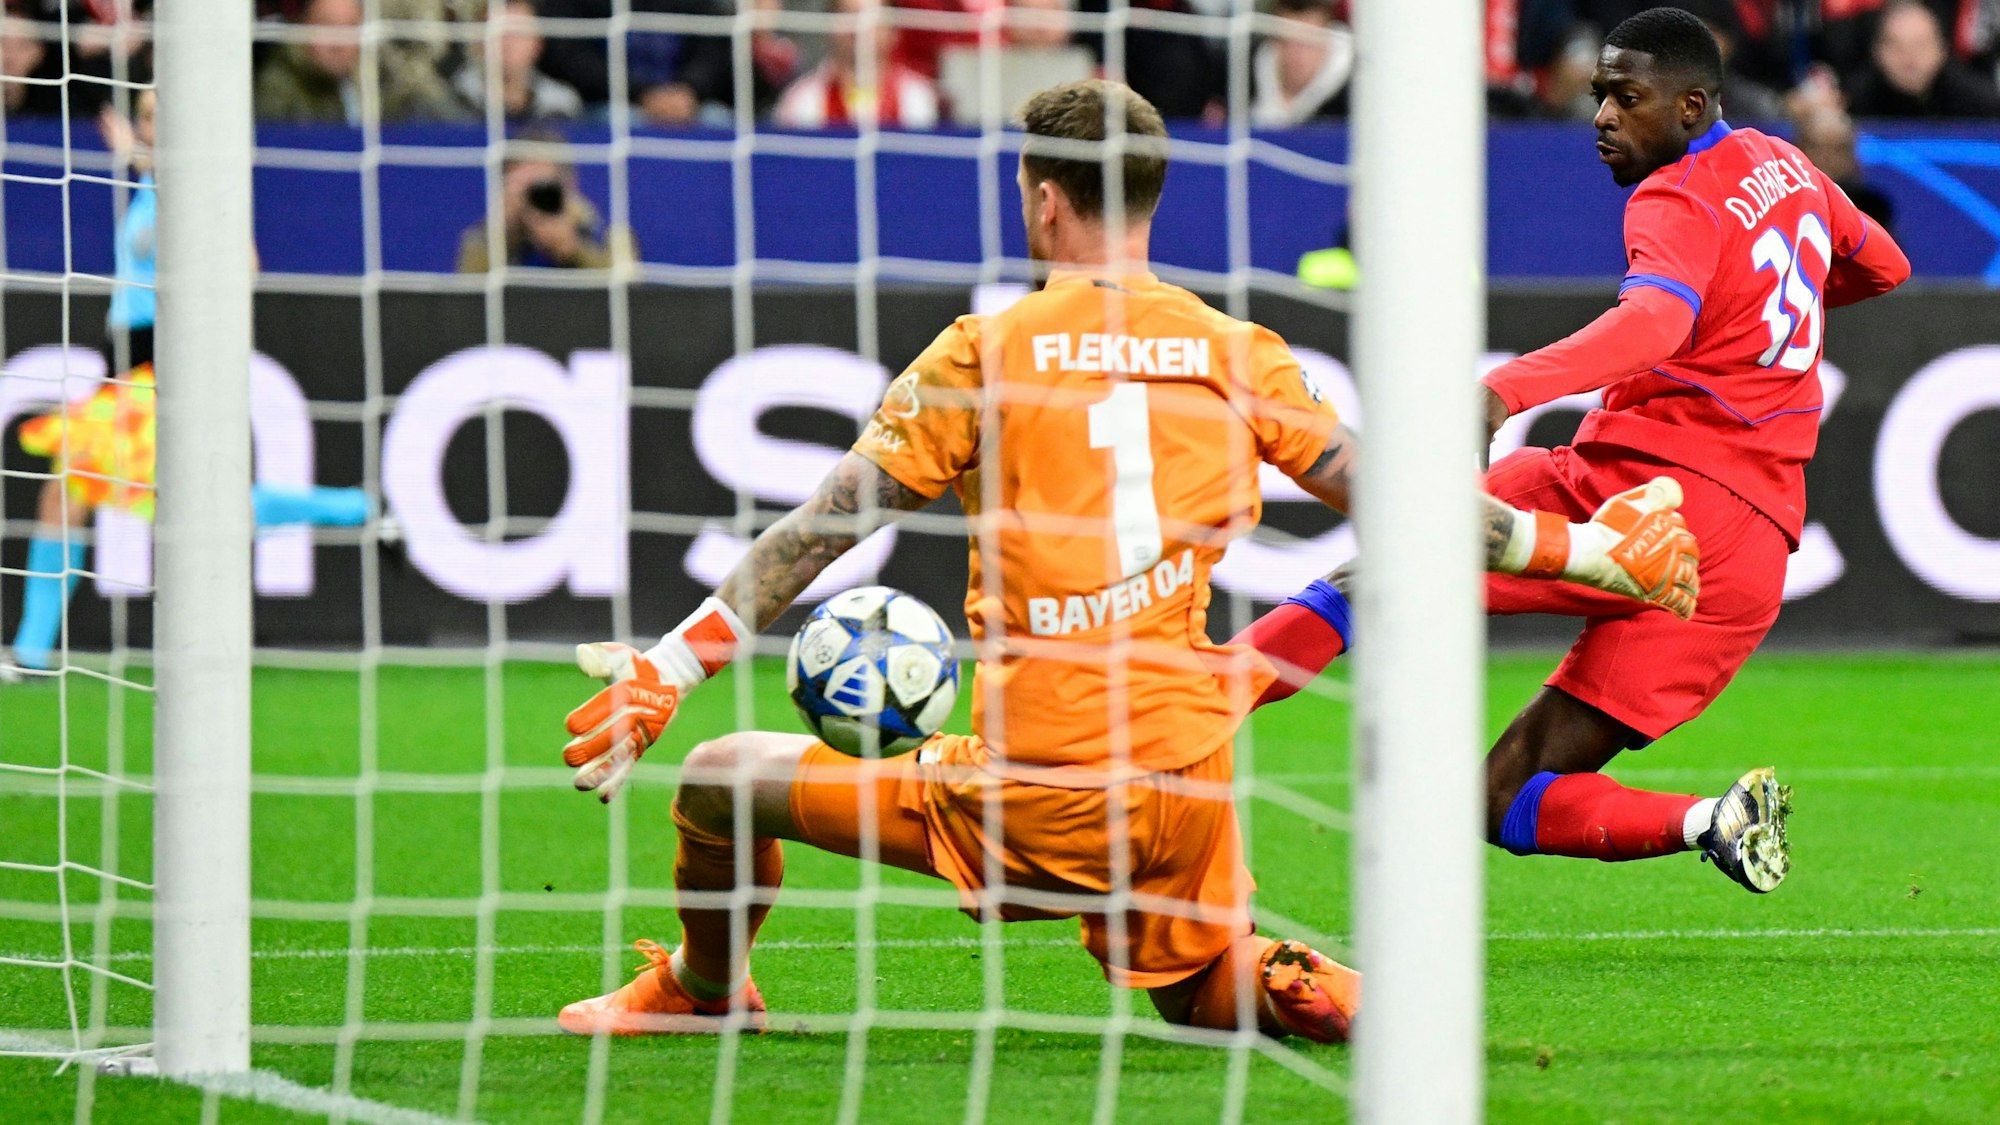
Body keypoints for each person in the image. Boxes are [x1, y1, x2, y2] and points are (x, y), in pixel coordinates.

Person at [548, 78, 1703, 1040]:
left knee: (717, 775)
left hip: (1037, 787)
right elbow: (1402, 498)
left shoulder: (983, 352)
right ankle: (1392, 1022)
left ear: (1043, 202)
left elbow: (824, 525)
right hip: (1187, 773)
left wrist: (675, 662)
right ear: (1148, 199)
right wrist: (1586, 551)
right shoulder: (1231, 348)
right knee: (1203, 990)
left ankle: (703, 992)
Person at [1242, 7, 1911, 894]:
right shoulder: (1787, 164)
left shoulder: (1676, 193)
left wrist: (1502, 388)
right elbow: (1887, 265)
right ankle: (1713, 820)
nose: (1601, 116)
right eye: (1600, 96)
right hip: (1745, 562)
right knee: (1501, 795)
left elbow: (1656, 320)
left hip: (1647, 493)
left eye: (1626, 97)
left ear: (1689, 107)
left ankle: (1190, 700)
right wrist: (1754, 332)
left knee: (1392, 567)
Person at [6, 89, 379, 676]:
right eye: (147, 116)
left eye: (160, 116)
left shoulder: (201, 185)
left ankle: (354, 507)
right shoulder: (153, 188)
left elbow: (246, 264)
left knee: (167, 498)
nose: (149, 126)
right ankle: (357, 508)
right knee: (95, 491)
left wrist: (139, 157)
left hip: (164, 363)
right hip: (124, 364)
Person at [253, 0, 469, 123]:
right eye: (326, 26)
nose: (338, 42)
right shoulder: (277, 91)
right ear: (303, 28)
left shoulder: (381, 86)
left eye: (349, 28)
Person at [455, 131, 639, 270]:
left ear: (568, 184)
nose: (532, 197)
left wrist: (574, 250)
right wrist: (504, 239)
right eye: (522, 187)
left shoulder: (609, 233)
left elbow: (627, 296)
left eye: (541, 185)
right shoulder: (482, 238)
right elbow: (468, 300)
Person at [773, 0, 940, 129]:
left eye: (869, 16)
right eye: (847, 15)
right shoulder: (802, 101)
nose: (858, 27)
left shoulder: (918, 98)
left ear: (893, 31)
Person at [1845, 0, 2000, 118]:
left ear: (1942, 49)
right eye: (1896, 46)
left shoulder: (1981, 105)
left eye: (1921, 45)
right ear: (1877, 52)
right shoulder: (1849, 105)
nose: (1909, 58)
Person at [451, 0, 586, 122]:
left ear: (538, 43)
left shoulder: (561, 106)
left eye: (518, 33)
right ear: (477, 42)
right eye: (497, 33)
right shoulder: (448, 101)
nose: (507, 44)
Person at [1249, 0, 1354, 126]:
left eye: (1308, 44)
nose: (1296, 55)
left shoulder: (1355, 99)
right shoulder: (1238, 75)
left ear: (1329, 43)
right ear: (1273, 41)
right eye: (1286, 42)